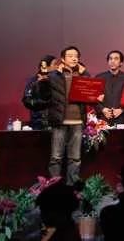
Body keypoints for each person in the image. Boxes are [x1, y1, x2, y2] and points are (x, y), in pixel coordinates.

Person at [45, 46, 97, 185]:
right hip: (59, 120)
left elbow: (91, 93)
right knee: (56, 157)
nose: (74, 58)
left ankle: (72, 187)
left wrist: (85, 73)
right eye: (70, 56)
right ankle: (54, 187)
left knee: (75, 157)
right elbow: (45, 95)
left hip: (77, 121)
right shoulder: (53, 76)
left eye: (76, 56)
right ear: (62, 59)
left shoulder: (83, 75)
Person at [22, 55, 59, 130]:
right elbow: (27, 101)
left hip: (56, 122)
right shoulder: (34, 81)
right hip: (39, 122)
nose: (57, 66)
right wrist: (45, 103)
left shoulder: (57, 81)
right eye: (55, 64)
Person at [94, 50, 124, 125]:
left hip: (122, 118)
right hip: (103, 117)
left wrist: (122, 110)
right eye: (110, 59)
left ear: (121, 63)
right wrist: (102, 109)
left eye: (116, 59)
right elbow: (93, 98)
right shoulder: (99, 77)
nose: (112, 61)